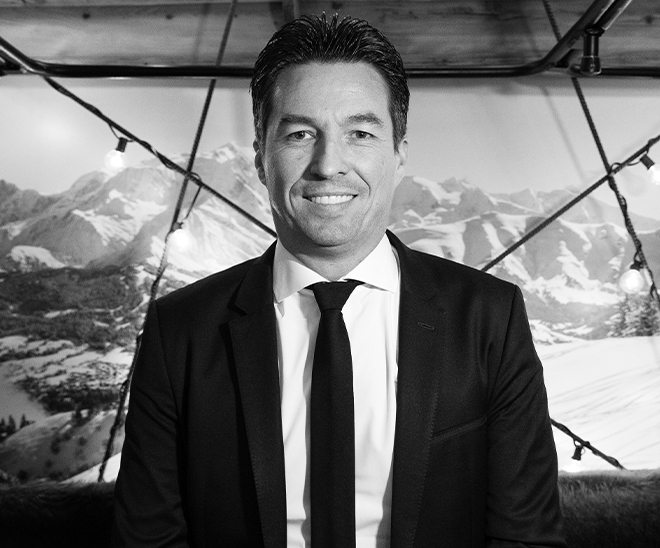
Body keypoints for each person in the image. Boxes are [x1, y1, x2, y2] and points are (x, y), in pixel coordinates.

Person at [111, 13, 566, 548]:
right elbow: (148, 540)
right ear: (260, 157)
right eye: (300, 134)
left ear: (399, 152)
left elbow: (527, 537)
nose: (328, 165)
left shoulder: (490, 317)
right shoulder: (180, 330)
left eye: (361, 133)